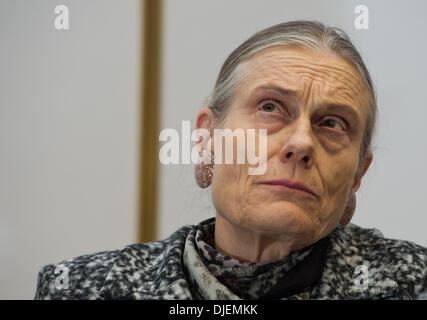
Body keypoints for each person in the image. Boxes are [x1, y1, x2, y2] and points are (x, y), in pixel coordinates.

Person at [35, 20, 426, 300]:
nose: (302, 143)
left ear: (358, 173)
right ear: (207, 139)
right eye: (271, 107)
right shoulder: (78, 287)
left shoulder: (413, 283)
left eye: (332, 123)